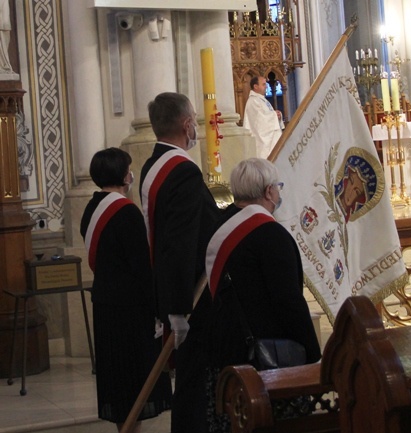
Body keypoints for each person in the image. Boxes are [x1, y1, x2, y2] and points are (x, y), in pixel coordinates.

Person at [205, 158, 322, 432]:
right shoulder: (272, 236)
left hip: (224, 352)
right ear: (269, 192)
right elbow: (288, 301)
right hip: (266, 361)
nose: (279, 194)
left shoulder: (217, 228)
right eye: (278, 188)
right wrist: (311, 351)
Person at [140, 92, 222, 433]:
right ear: (188, 124)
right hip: (193, 296)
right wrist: (177, 309)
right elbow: (180, 243)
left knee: (191, 379)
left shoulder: (152, 164)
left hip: (172, 288)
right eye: (196, 123)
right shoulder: (183, 171)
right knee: (196, 379)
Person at [80, 147, 172, 433]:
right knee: (134, 380)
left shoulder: (91, 209)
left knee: (117, 378)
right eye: (129, 169)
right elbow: (141, 267)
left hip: (106, 305)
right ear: (122, 175)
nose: (132, 174)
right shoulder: (126, 212)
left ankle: (126, 427)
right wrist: (158, 307)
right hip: (131, 312)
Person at [242, 76, 285, 158]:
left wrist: (277, 115)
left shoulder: (261, 99)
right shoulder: (253, 101)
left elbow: (266, 115)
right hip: (262, 143)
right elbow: (259, 121)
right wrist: (273, 115)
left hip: (271, 139)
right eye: (264, 84)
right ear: (256, 86)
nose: (266, 86)